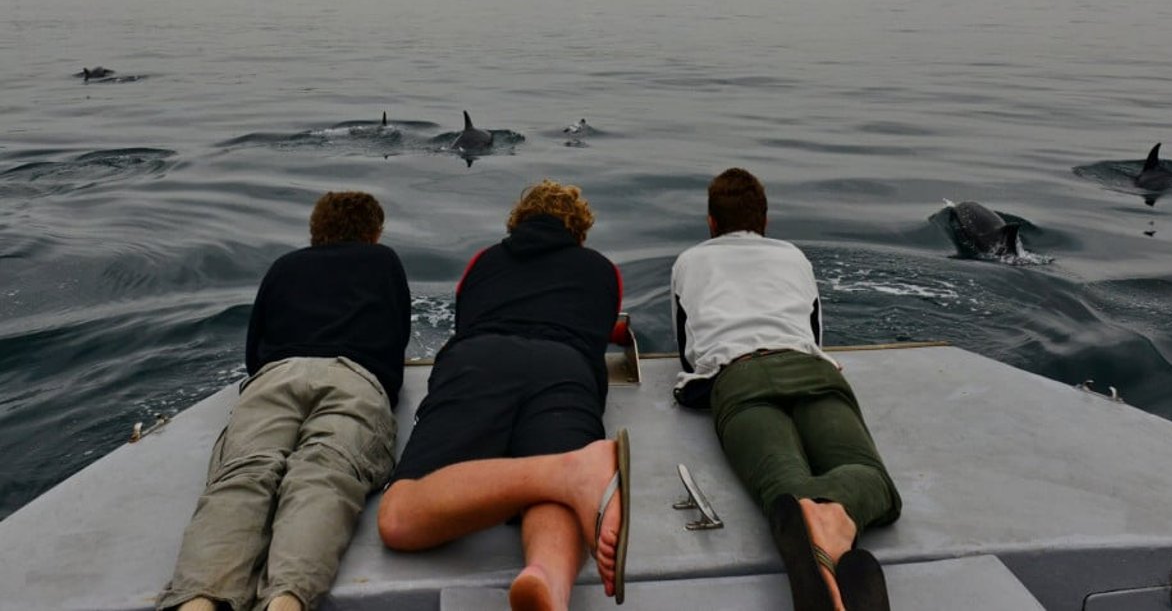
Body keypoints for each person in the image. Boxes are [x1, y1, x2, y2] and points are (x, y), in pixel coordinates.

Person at [377, 180, 631, 611]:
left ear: (518, 220)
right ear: (580, 229)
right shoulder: (602, 269)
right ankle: (545, 574)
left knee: (399, 518)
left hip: (479, 360)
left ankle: (563, 473)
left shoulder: (484, 261)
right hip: (564, 366)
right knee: (557, 493)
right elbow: (603, 323)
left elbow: (467, 316)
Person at [157, 191, 411, 611]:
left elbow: (254, 351)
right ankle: (286, 601)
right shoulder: (384, 261)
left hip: (277, 375)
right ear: (375, 233)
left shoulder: (284, 266)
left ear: (315, 232)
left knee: (243, 474)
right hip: (354, 376)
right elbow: (395, 337)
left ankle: (198, 602)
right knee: (326, 471)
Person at [670, 168, 900, 611]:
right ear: (766, 221)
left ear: (711, 223)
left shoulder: (689, 261)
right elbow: (815, 336)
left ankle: (814, 517)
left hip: (740, 377)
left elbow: (687, 356)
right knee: (872, 477)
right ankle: (840, 515)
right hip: (811, 371)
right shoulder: (794, 256)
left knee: (783, 478)